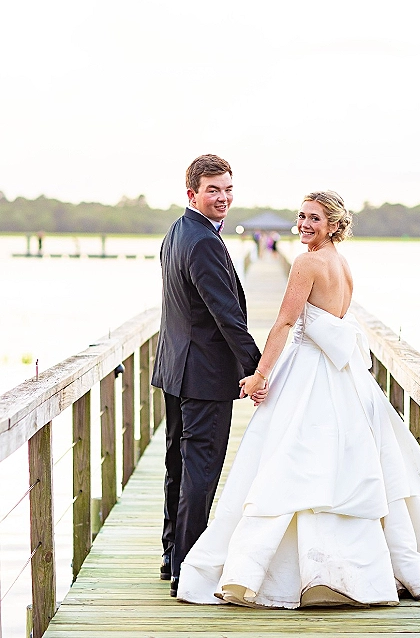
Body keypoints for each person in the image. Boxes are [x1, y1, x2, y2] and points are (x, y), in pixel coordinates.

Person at [177, 190, 420, 608]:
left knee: (287, 461)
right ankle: (351, 572)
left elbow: (284, 320)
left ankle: (281, 573)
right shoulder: (342, 264)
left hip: (309, 372)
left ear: (334, 224)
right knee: (339, 464)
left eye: (314, 219)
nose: (304, 225)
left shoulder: (307, 262)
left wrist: (260, 373)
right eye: (301, 216)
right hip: (343, 378)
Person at [151, 154, 265, 597]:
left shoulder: (177, 233)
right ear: (191, 193)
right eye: (213, 189)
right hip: (203, 376)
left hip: (177, 369)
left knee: (178, 466)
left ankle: (171, 556)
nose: (223, 197)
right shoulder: (202, 242)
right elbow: (227, 316)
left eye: (228, 189)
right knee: (199, 470)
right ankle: (188, 567)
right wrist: (258, 368)